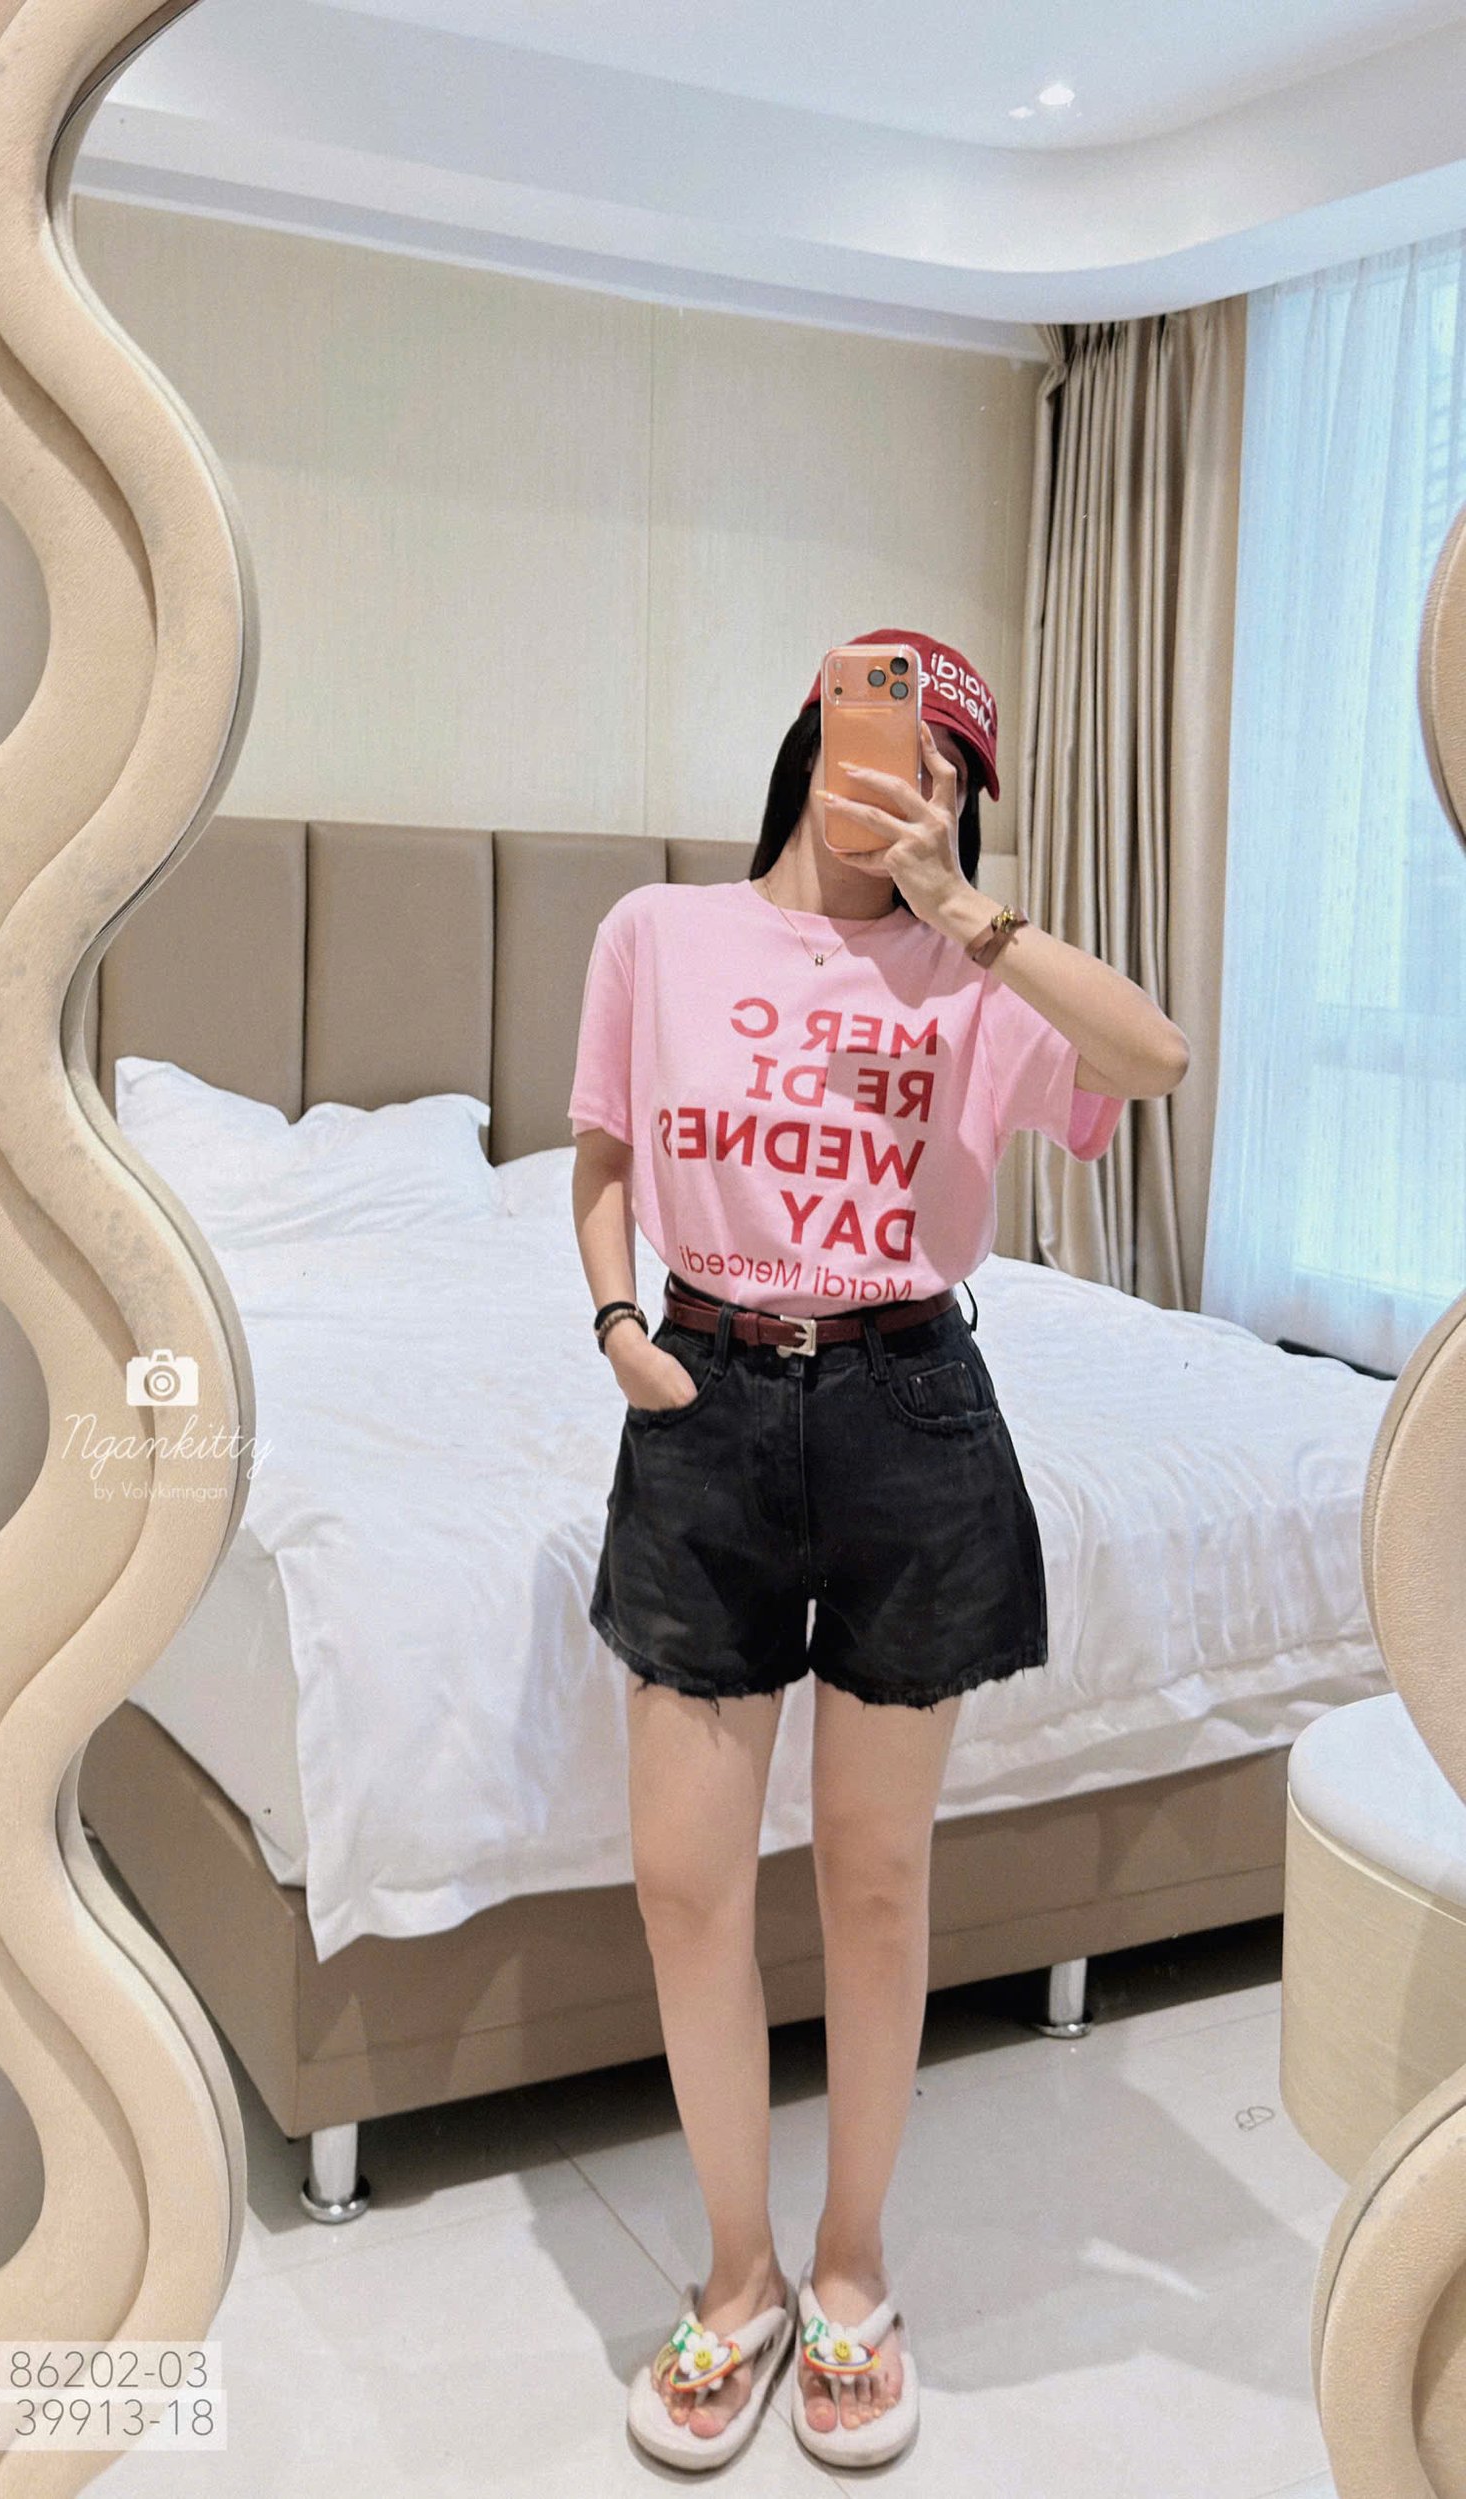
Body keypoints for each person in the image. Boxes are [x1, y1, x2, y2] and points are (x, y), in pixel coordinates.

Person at [568, 630, 1189, 2468]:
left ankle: (848, 2272)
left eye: (944, 772)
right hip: (706, 1396)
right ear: (811, 744)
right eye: (881, 742)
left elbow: (1154, 1056)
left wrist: (967, 914)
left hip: (910, 1406)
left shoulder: (980, 972)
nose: (903, 783)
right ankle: (737, 2277)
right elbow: (602, 1156)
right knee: (685, 1879)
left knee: (876, 1878)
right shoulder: (658, 936)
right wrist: (618, 1325)